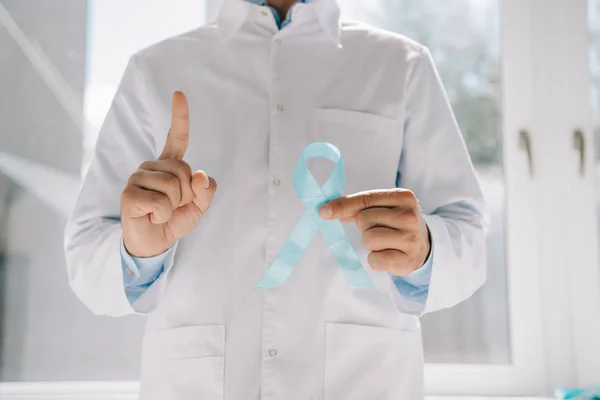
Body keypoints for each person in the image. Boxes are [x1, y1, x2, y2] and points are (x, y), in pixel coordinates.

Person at [65, 0, 488, 398]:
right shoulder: (155, 71)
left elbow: (470, 244)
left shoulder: (401, 66)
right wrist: (136, 252)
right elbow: (86, 264)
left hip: (364, 380)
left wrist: (427, 249)